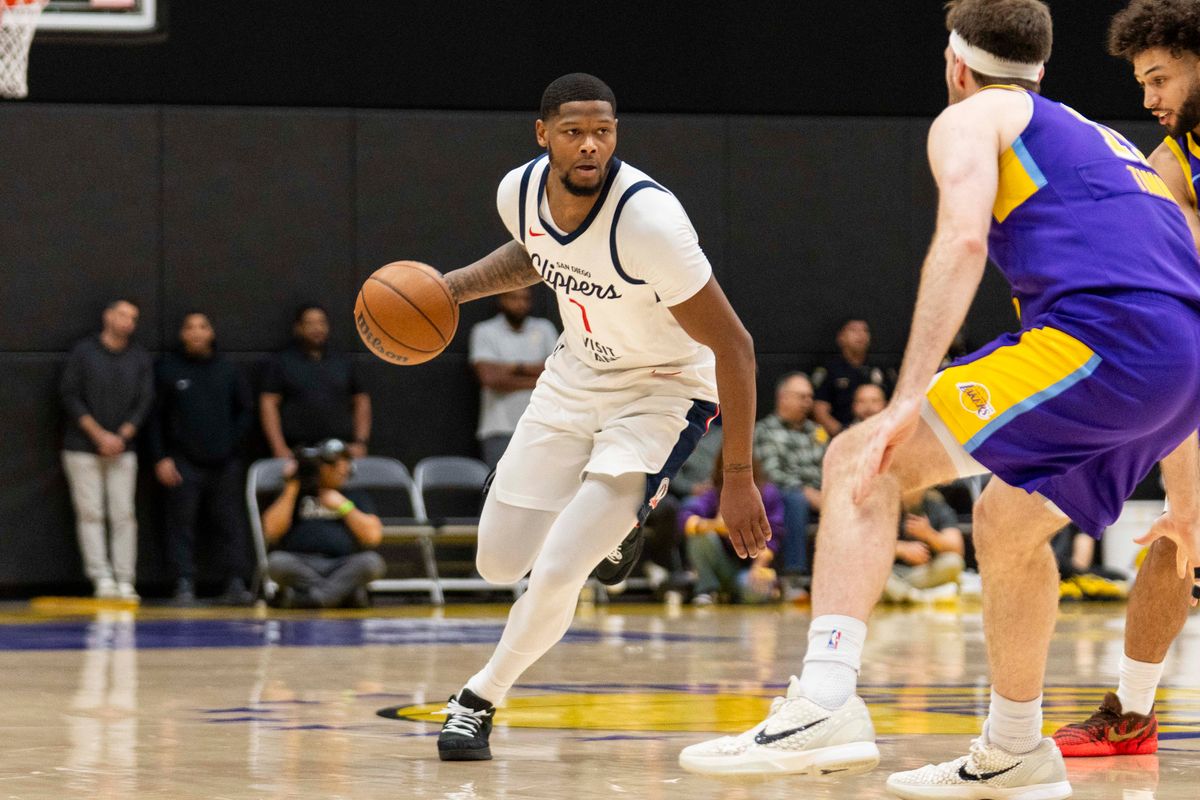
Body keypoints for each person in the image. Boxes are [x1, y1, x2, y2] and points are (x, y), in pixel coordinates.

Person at [680, 4, 1200, 799]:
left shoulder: (974, 116)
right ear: (1042, 69)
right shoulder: (1111, 141)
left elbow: (960, 240)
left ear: (957, 66)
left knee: (862, 455)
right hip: (1179, 368)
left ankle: (823, 703)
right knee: (1006, 522)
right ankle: (1015, 749)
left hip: (1107, 342)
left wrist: (904, 397)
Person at [429, 73, 766, 762]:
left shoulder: (649, 222)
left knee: (558, 570)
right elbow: (538, 251)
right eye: (575, 131)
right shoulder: (516, 191)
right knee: (498, 564)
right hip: (575, 374)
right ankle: (617, 526)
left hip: (663, 391)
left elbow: (735, 345)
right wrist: (451, 289)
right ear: (543, 134)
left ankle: (478, 699)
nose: (591, 145)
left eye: (604, 132)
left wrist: (738, 474)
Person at [1050, 0, 1200, 757]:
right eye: (1142, 81)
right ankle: (1134, 710)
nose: (1148, 99)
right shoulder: (1172, 166)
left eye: (1159, 77)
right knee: (1180, 531)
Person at [148, 312, 255, 605]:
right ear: (182, 334)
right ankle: (183, 582)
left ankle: (235, 581)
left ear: (211, 333)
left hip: (225, 462)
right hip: (183, 462)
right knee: (180, 523)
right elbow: (155, 417)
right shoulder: (168, 369)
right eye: (190, 327)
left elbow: (246, 411)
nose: (196, 333)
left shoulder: (228, 370)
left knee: (230, 523)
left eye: (202, 327)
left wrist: (231, 446)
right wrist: (160, 458)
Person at [60, 299, 154, 600]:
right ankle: (101, 576)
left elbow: (144, 401)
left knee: (124, 513)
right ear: (108, 316)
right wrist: (99, 435)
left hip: (123, 449)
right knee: (91, 513)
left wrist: (121, 436)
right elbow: (70, 396)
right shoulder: (84, 352)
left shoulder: (139, 357)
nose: (128, 322)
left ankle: (125, 578)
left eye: (133, 318)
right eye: (123, 315)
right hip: (82, 448)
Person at [261, 439, 386, 608]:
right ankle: (343, 594)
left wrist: (344, 506)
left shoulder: (355, 495)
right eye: (333, 464)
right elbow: (271, 532)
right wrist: (292, 484)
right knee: (275, 562)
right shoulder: (295, 494)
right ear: (317, 466)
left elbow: (373, 537)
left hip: (343, 564)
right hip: (301, 563)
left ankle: (312, 598)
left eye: (345, 463)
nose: (342, 468)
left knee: (372, 562)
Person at [260, 304, 372, 459]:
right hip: (297, 452)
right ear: (298, 328)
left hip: (339, 451)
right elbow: (268, 403)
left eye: (321, 323)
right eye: (310, 323)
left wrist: (361, 442)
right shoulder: (282, 362)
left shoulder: (343, 361)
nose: (317, 328)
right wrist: (279, 447)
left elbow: (361, 400)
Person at [468, 288, 559, 468]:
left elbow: (558, 372)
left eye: (525, 299)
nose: (520, 304)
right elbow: (489, 378)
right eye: (513, 298)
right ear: (501, 299)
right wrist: (538, 376)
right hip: (499, 428)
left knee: (540, 491)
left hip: (542, 426)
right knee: (499, 491)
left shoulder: (544, 328)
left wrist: (511, 368)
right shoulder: (485, 331)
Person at [684, 454, 784, 606]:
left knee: (753, 591)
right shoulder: (715, 493)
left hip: (750, 568)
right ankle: (708, 589)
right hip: (724, 563)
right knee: (699, 536)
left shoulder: (767, 492)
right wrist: (716, 525)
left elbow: (773, 536)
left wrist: (759, 567)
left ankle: (738, 593)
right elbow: (685, 516)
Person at [753, 373, 827, 579]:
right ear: (783, 397)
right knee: (796, 500)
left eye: (810, 397)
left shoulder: (817, 432)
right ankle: (795, 574)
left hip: (820, 493)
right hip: (784, 494)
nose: (807, 402)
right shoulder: (764, 430)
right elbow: (772, 473)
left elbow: (830, 467)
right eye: (801, 397)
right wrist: (806, 492)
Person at [811, 318, 893, 436]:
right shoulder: (829, 370)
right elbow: (819, 410)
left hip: (880, 434)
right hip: (839, 434)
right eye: (853, 330)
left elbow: (894, 405)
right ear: (841, 338)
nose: (860, 335)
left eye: (865, 331)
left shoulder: (881, 369)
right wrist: (844, 435)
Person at [882, 490, 966, 603]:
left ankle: (906, 595)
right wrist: (901, 549)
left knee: (953, 562)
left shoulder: (935, 504)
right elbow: (866, 549)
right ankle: (919, 597)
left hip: (922, 573)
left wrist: (929, 535)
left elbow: (957, 548)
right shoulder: (883, 504)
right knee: (870, 574)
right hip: (891, 573)